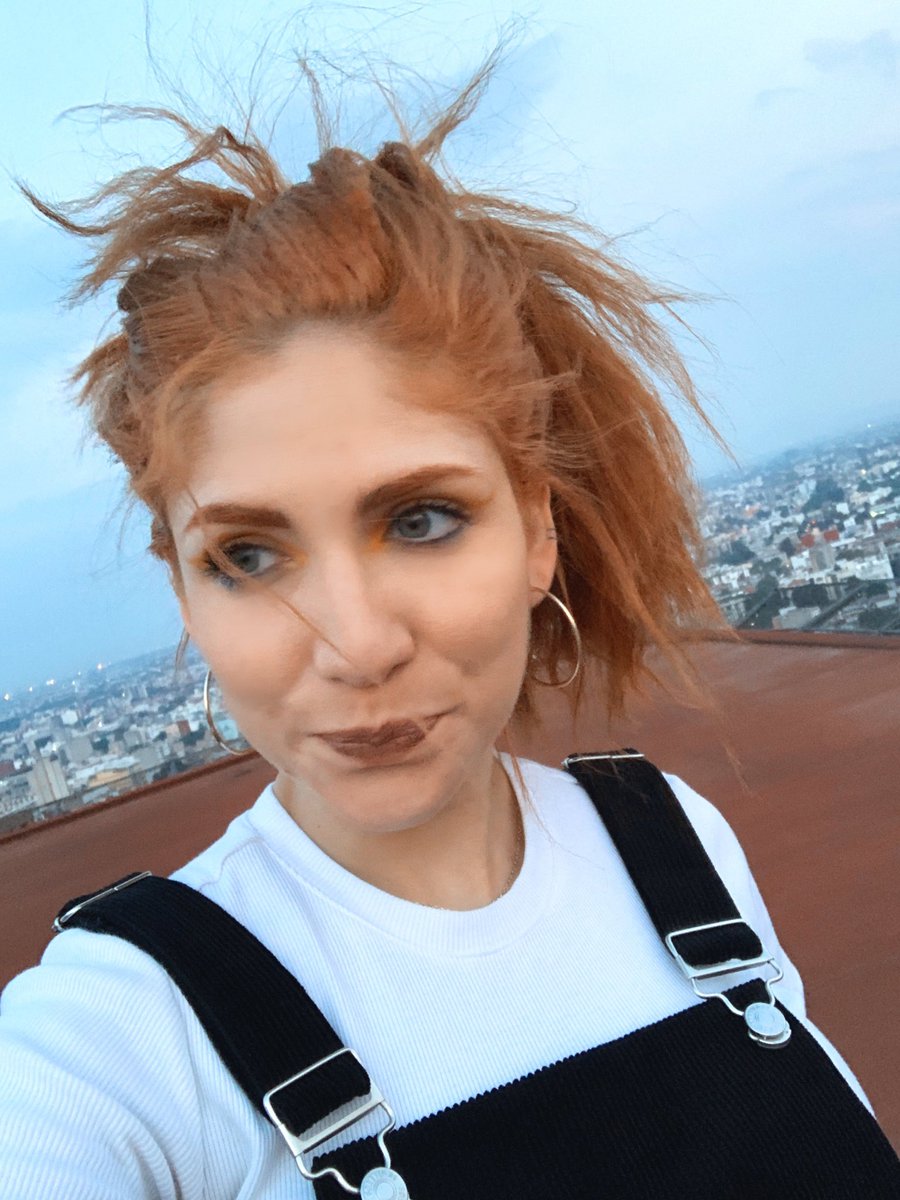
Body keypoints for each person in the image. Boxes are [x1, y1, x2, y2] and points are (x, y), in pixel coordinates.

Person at [1, 67, 898, 1200]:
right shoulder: (121, 1042)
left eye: (421, 520)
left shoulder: (684, 847)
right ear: (184, 594)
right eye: (247, 557)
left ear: (538, 530)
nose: (356, 645)